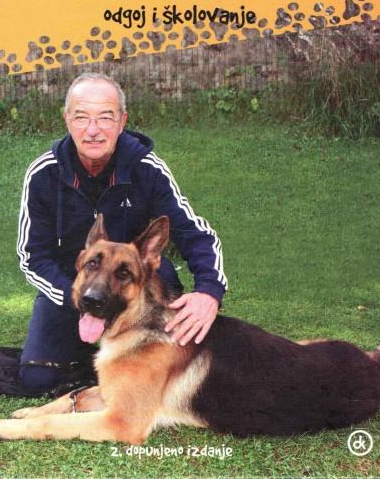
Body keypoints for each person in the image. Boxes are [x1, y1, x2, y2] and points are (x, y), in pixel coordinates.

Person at [16, 73, 227, 395]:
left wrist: (209, 292)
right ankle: (98, 363)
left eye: (105, 117)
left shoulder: (147, 168)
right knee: (37, 379)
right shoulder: (42, 174)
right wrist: (76, 296)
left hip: (137, 285)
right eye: (81, 117)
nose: (93, 130)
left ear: (122, 121)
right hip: (73, 287)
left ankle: (139, 362)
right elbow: (33, 257)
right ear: (67, 119)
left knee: (167, 365)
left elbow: (195, 233)